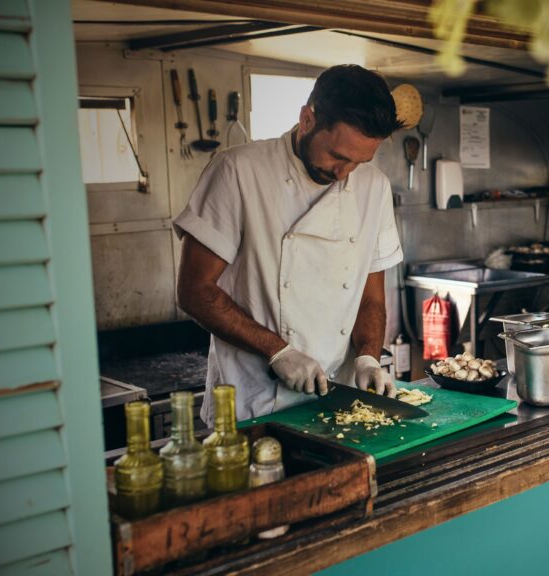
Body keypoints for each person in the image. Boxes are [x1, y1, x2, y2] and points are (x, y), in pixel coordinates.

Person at [173, 65, 405, 424]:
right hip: (253, 406)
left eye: (359, 162)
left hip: (335, 407)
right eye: (338, 156)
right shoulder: (238, 171)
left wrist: (368, 358)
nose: (344, 174)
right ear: (307, 118)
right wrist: (278, 352)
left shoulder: (374, 187)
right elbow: (193, 291)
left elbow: (370, 297)